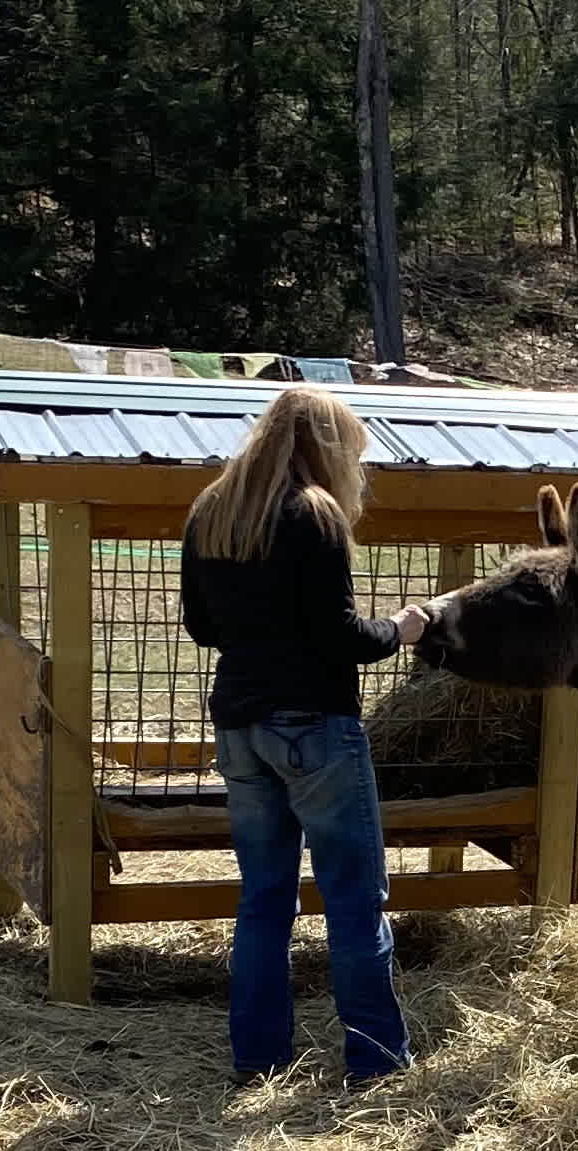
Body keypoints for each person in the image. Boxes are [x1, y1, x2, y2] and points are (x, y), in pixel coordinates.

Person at [180, 386, 430, 1086]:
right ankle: (376, 1060)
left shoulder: (211, 510)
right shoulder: (314, 513)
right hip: (314, 724)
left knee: (264, 899)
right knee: (353, 898)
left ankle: (257, 1057)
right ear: (324, 446)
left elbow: (202, 629)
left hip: (239, 725)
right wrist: (402, 629)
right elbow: (341, 637)